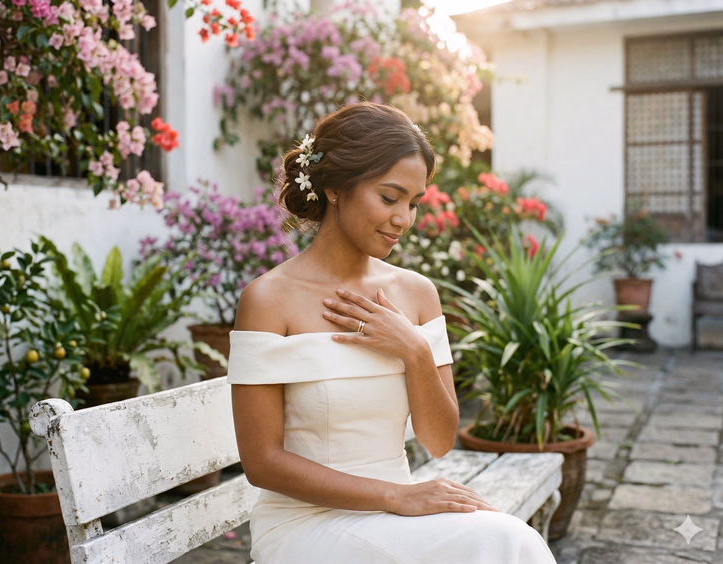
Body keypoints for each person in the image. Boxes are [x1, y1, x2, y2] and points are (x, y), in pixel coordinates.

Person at [228, 102, 557, 563]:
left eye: (414, 203)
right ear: (336, 188)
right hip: (305, 524)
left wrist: (415, 352)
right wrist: (395, 498)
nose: (404, 218)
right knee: (504, 545)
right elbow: (262, 462)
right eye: (389, 197)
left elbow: (440, 441)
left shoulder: (417, 294)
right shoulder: (269, 300)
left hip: (399, 513)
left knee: (511, 541)